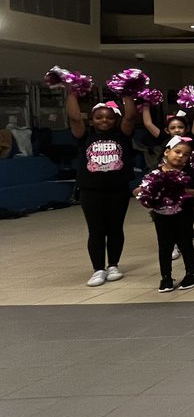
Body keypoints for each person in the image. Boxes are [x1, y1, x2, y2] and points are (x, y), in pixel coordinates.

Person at [63, 92, 137, 287]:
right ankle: (98, 269)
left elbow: (130, 116)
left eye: (109, 117)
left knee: (115, 228)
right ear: (92, 120)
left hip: (118, 189)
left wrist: (127, 90)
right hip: (91, 190)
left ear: (115, 120)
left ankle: (113, 265)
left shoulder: (122, 135)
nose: (104, 120)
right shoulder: (84, 136)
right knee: (96, 230)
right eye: (99, 117)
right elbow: (74, 117)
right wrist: (72, 91)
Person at [134, 136, 194, 293]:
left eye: (186, 155)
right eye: (177, 152)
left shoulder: (189, 173)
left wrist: (181, 190)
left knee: (185, 243)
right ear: (166, 152)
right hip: (161, 216)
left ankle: (191, 273)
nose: (181, 156)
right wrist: (146, 192)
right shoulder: (154, 172)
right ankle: (166, 277)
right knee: (165, 246)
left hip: (183, 215)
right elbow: (138, 190)